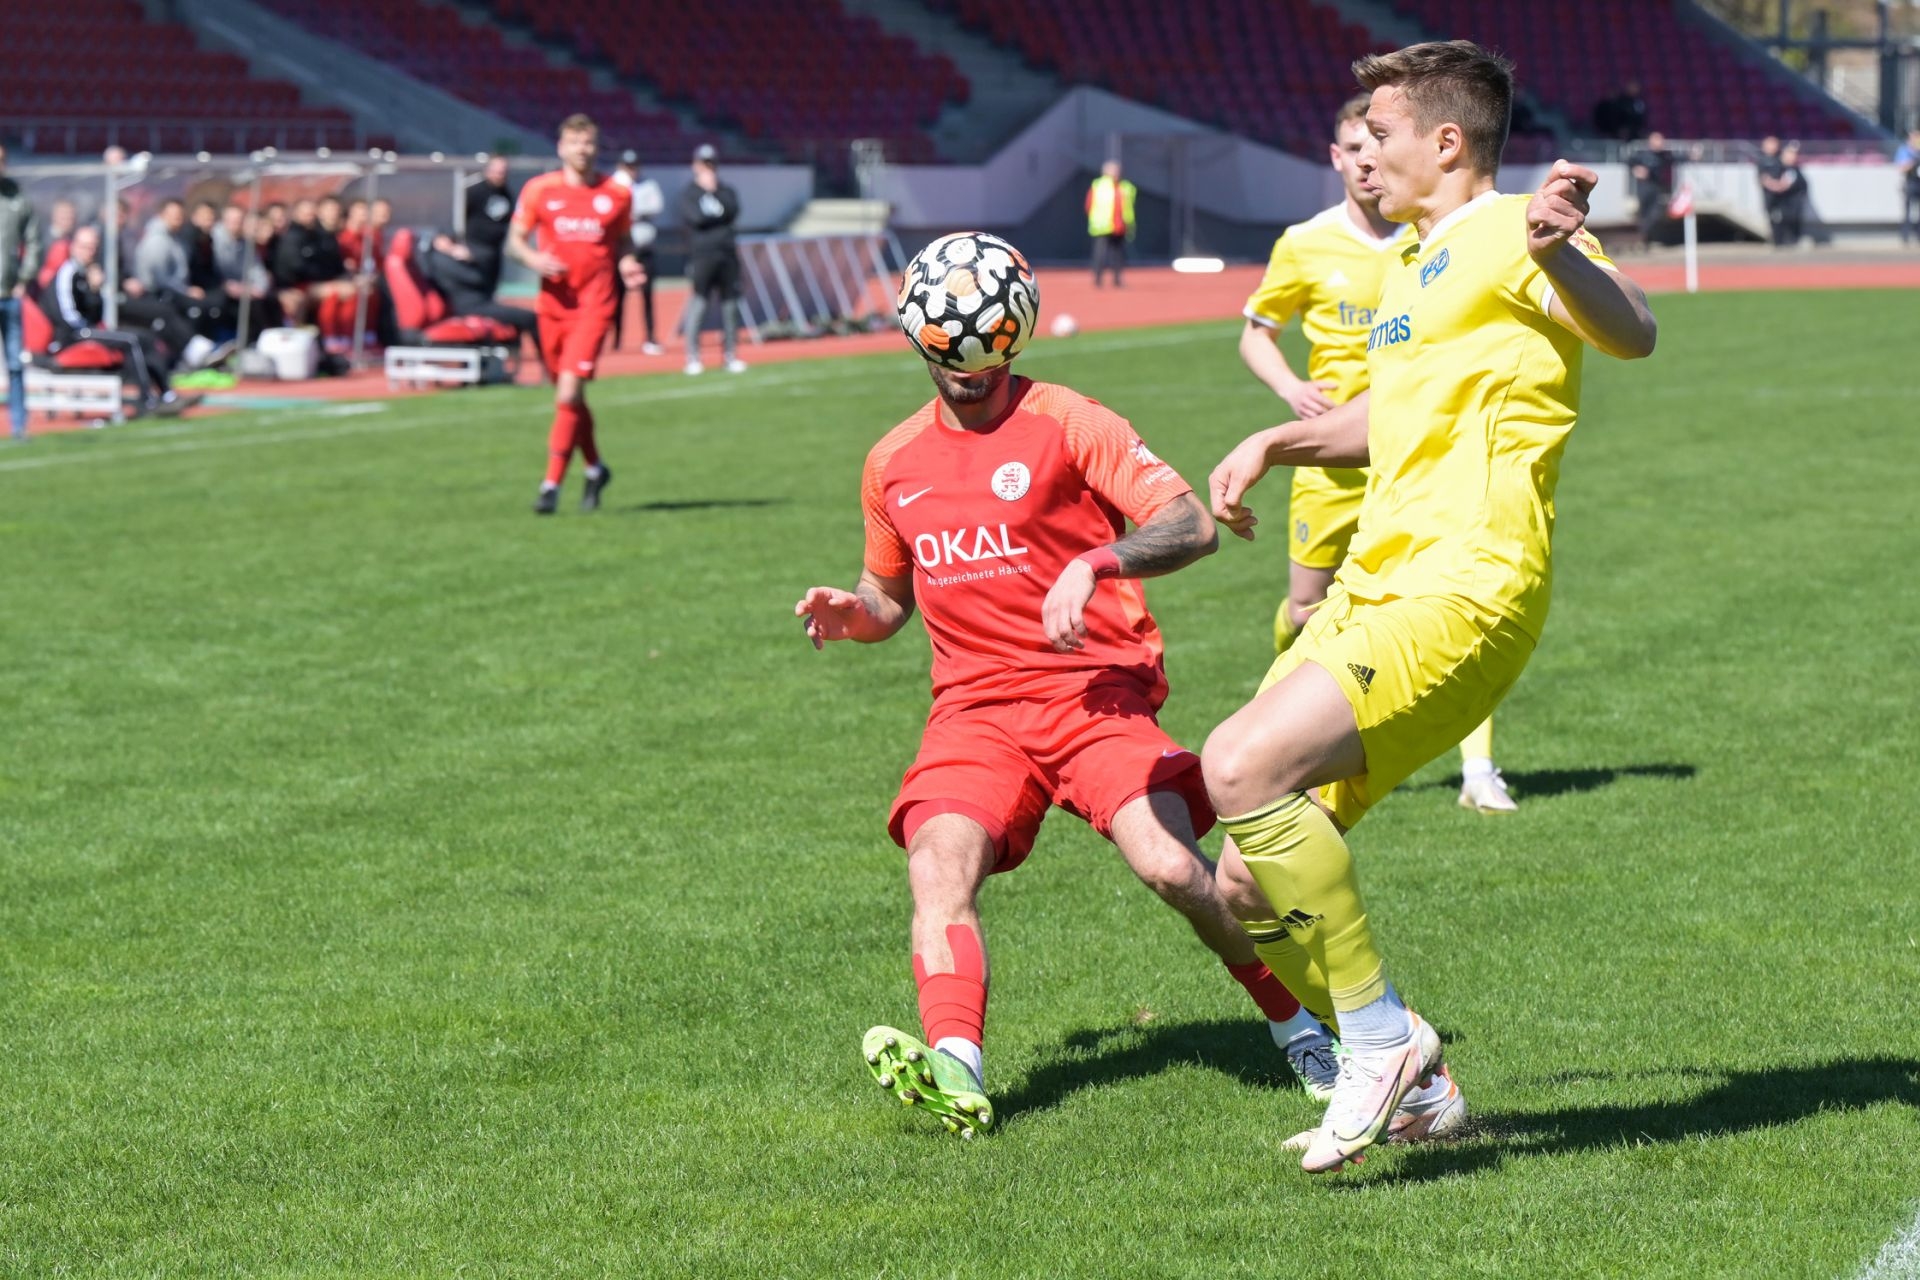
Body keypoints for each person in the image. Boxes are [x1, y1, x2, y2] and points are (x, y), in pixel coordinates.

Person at [1204, 40, 1656, 1174]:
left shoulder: (1512, 232)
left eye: (1383, 136)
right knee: (1242, 881)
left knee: (1239, 765)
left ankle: (1377, 1040)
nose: (1363, 155)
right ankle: (1422, 1085)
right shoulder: (1411, 263)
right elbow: (1390, 418)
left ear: (1448, 142)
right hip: (1376, 580)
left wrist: (1563, 256)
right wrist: (1276, 439)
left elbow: (1635, 330)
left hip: (1468, 581)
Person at [796, 232, 1341, 1140]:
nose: (971, 382)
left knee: (1171, 866)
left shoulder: (1071, 421)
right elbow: (887, 598)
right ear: (921, 344)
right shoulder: (892, 461)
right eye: (954, 367)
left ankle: (1300, 1022)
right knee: (937, 868)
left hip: (1092, 695)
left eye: (987, 367)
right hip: (974, 711)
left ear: (1013, 341)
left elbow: (1191, 525)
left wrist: (1095, 562)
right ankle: (958, 1069)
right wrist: (852, 614)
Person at [1239, 97, 1517, 816]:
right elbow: (1256, 333)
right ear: (1337, 157)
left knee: (1444, 612)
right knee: (1308, 613)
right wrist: (1290, 394)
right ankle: (1294, 713)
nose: (1369, 161)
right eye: (1357, 148)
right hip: (1331, 455)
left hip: (1419, 462)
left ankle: (1478, 768)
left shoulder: (1435, 238)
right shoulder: (1306, 242)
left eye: (1380, 143)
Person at [506, 113, 644, 515]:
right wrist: (533, 259)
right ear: (561, 147)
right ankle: (595, 469)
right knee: (570, 398)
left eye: (589, 142)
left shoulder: (616, 194)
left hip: (595, 305)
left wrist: (627, 262)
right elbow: (515, 240)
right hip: (552, 307)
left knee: (568, 392)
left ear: (597, 148)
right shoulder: (539, 190)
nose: (582, 149)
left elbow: (624, 240)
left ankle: (550, 485)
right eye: (574, 142)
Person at [47, 225, 186, 414]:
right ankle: (147, 400)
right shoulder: (67, 273)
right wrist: (87, 326)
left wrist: (95, 291)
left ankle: (166, 393)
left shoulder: (88, 274)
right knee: (131, 340)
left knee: (146, 337)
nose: (90, 252)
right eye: (85, 247)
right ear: (74, 247)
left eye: (93, 247)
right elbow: (65, 314)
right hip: (73, 334)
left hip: (88, 329)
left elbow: (96, 312)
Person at [677, 144, 745, 374]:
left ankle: (730, 355)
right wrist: (716, 213)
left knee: (730, 305)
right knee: (699, 303)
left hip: (727, 254)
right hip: (703, 255)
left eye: (712, 164)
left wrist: (714, 193)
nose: (708, 169)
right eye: (704, 164)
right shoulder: (690, 193)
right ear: (695, 165)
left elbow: (733, 210)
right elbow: (696, 218)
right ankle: (693, 357)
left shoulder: (726, 190)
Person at [0, 141, 44, 441]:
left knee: (16, 362)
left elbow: (34, 241)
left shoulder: (16, 198)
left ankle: (19, 426)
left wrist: (24, 278)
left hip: (9, 294)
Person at [611, 150, 663, 354]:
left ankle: (650, 337)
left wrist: (631, 210)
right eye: (628, 166)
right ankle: (616, 339)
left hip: (644, 248)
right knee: (618, 296)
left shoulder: (648, 185)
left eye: (634, 166)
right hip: (621, 251)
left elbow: (656, 207)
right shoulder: (614, 184)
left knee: (648, 295)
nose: (632, 170)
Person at [463, 155, 516, 296]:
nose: (500, 175)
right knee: (477, 287)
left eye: (503, 172)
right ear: (488, 171)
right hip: (475, 247)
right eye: (497, 172)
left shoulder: (506, 193)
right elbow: (461, 216)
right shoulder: (474, 191)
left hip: (495, 248)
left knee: (492, 287)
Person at [1086, 158, 1136, 287]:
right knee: (1100, 254)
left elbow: (1128, 206)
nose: (1115, 173)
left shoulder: (1125, 187)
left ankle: (1117, 279)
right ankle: (1098, 279)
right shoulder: (1098, 186)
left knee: (1118, 254)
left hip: (1119, 225)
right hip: (1102, 226)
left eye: (1117, 171)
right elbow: (1089, 204)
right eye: (1113, 171)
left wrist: (1128, 222)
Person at [1628, 131, 1676, 250]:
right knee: (1644, 214)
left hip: (1656, 187)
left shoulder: (1663, 156)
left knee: (1655, 214)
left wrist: (1691, 156)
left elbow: (1676, 159)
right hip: (1644, 186)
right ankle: (1642, 239)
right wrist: (1636, 170)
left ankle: (1644, 237)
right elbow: (1629, 162)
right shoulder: (1642, 155)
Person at [1898, 129, 1920, 247]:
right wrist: (1913, 160)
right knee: (1908, 211)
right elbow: (1901, 168)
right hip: (1910, 182)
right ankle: (1905, 236)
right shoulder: (1905, 150)